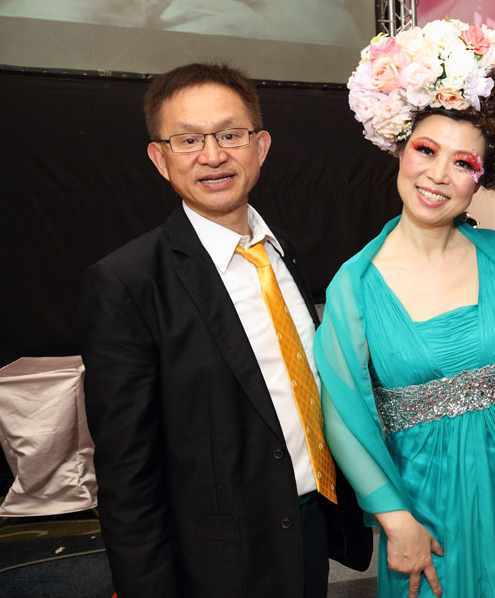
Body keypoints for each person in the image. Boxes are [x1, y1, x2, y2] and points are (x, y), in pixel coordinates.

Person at [76, 62, 371, 598]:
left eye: (230, 135)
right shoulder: (128, 282)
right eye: (188, 140)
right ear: (159, 159)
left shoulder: (281, 251)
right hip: (216, 561)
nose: (212, 156)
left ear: (261, 147)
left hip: (308, 528)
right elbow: (126, 472)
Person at [314, 19, 495, 598]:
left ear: (482, 179)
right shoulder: (354, 285)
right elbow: (341, 416)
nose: (438, 176)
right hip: (423, 507)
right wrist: (395, 520)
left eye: (464, 163)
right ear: (399, 148)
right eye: (426, 150)